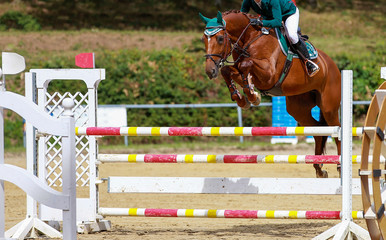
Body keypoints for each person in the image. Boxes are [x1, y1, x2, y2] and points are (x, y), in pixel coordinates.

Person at [241, 0, 319, 76]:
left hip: (288, 13)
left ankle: (308, 62)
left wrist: (261, 23)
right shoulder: (248, 1)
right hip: (270, 16)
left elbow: (278, 22)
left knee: (292, 36)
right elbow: (242, 15)